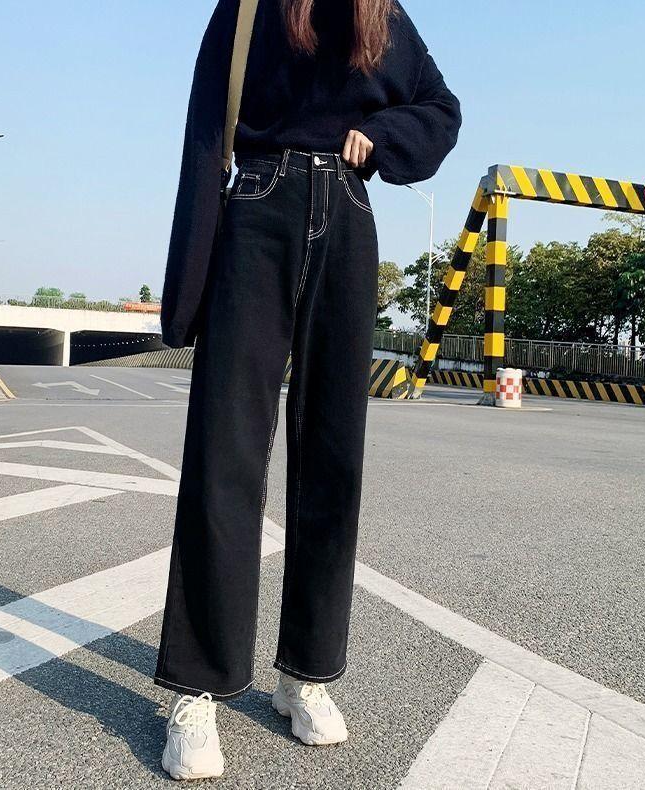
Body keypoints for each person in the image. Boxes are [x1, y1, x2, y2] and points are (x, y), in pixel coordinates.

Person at [157, 0, 461, 780]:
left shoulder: (382, 15)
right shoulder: (249, 8)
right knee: (225, 455)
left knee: (332, 459)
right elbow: (205, 132)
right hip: (257, 209)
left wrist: (387, 136)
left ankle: (306, 674)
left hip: (350, 217)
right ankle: (198, 688)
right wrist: (186, 285)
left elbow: (441, 108)